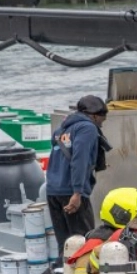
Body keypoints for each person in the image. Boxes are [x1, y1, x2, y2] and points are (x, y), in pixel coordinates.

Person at [47, 95, 106, 250]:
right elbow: (79, 159)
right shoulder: (87, 128)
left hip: (53, 191)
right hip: (71, 192)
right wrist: (77, 192)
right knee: (84, 243)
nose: (102, 123)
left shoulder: (61, 129)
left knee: (65, 244)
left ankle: (58, 272)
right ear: (94, 115)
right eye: (102, 119)